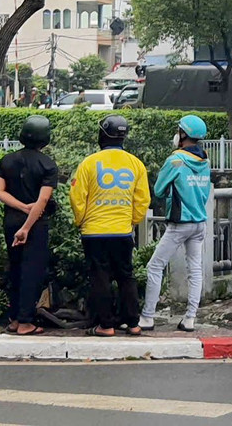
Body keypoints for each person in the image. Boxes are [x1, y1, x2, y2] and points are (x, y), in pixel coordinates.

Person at [69, 114, 150, 337]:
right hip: (122, 231)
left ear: (102, 134)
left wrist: (80, 220)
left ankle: (105, 326)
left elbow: (77, 197)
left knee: (100, 277)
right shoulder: (136, 164)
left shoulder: (89, 163)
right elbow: (142, 199)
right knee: (126, 276)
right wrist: (131, 221)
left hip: (94, 232)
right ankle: (133, 323)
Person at [140, 114, 212, 332]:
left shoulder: (175, 160)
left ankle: (147, 317)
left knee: (155, 266)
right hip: (200, 223)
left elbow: (159, 190)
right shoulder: (205, 160)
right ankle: (190, 318)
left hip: (180, 224)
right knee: (195, 270)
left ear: (183, 134)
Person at [0, 115, 57, 336]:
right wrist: (27, 226)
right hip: (35, 225)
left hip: (11, 220)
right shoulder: (48, 165)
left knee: (15, 268)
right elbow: (43, 200)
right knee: (32, 271)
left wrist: (20, 207)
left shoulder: (7, 161)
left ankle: (13, 319)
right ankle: (26, 322)